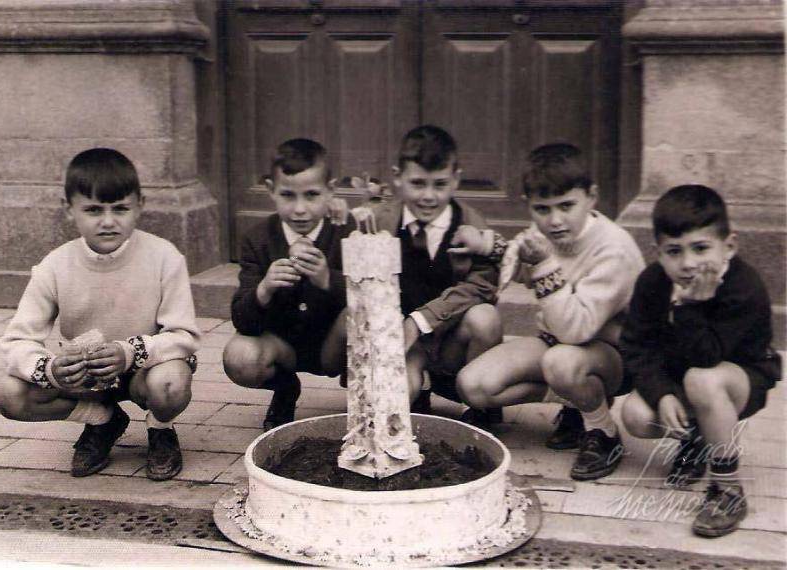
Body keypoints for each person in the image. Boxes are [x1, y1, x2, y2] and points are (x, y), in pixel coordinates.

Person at [0, 148, 200, 480]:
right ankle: (102, 419)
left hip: (145, 371)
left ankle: (161, 428)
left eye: (120, 208)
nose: (108, 221)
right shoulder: (55, 266)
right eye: (93, 210)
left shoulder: (164, 258)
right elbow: (17, 340)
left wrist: (128, 352)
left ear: (140, 205)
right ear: (69, 208)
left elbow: (184, 335)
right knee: (10, 394)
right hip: (88, 378)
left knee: (171, 382)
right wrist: (51, 369)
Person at [455, 142, 645, 480]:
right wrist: (486, 245)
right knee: (473, 386)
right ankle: (576, 404)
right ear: (529, 205)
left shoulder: (613, 250)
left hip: (613, 355)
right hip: (556, 341)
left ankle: (602, 431)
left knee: (561, 362)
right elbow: (523, 257)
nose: (555, 220)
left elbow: (576, 329)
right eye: (542, 209)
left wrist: (543, 264)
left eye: (566, 206)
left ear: (592, 197)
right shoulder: (548, 231)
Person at [620, 184, 781, 537]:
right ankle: (697, 438)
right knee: (636, 415)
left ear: (729, 246)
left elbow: (708, 357)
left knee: (702, 380)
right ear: (658, 252)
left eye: (701, 248)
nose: (688, 263)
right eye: (674, 251)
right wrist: (662, 393)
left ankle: (728, 489)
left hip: (738, 379)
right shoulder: (652, 282)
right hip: (684, 376)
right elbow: (636, 346)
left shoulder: (743, 287)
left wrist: (690, 306)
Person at [361, 125, 503, 417]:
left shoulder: (470, 224)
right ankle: (416, 389)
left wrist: (421, 320)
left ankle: (478, 404)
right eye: (417, 183)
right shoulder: (380, 221)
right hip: (403, 341)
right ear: (398, 177)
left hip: (451, 338)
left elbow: (482, 286)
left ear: (456, 179)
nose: (428, 196)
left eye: (439, 184)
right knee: (395, 401)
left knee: (485, 318)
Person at [223, 138, 355, 431]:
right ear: (271, 190)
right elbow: (241, 320)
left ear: (330, 190)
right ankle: (285, 388)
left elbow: (369, 298)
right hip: (283, 348)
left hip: (333, 348)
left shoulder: (345, 230)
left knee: (359, 316)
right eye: (287, 195)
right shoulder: (257, 239)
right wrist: (264, 290)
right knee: (239, 357)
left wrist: (328, 280)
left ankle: (363, 400)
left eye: (312, 195)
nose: (300, 209)